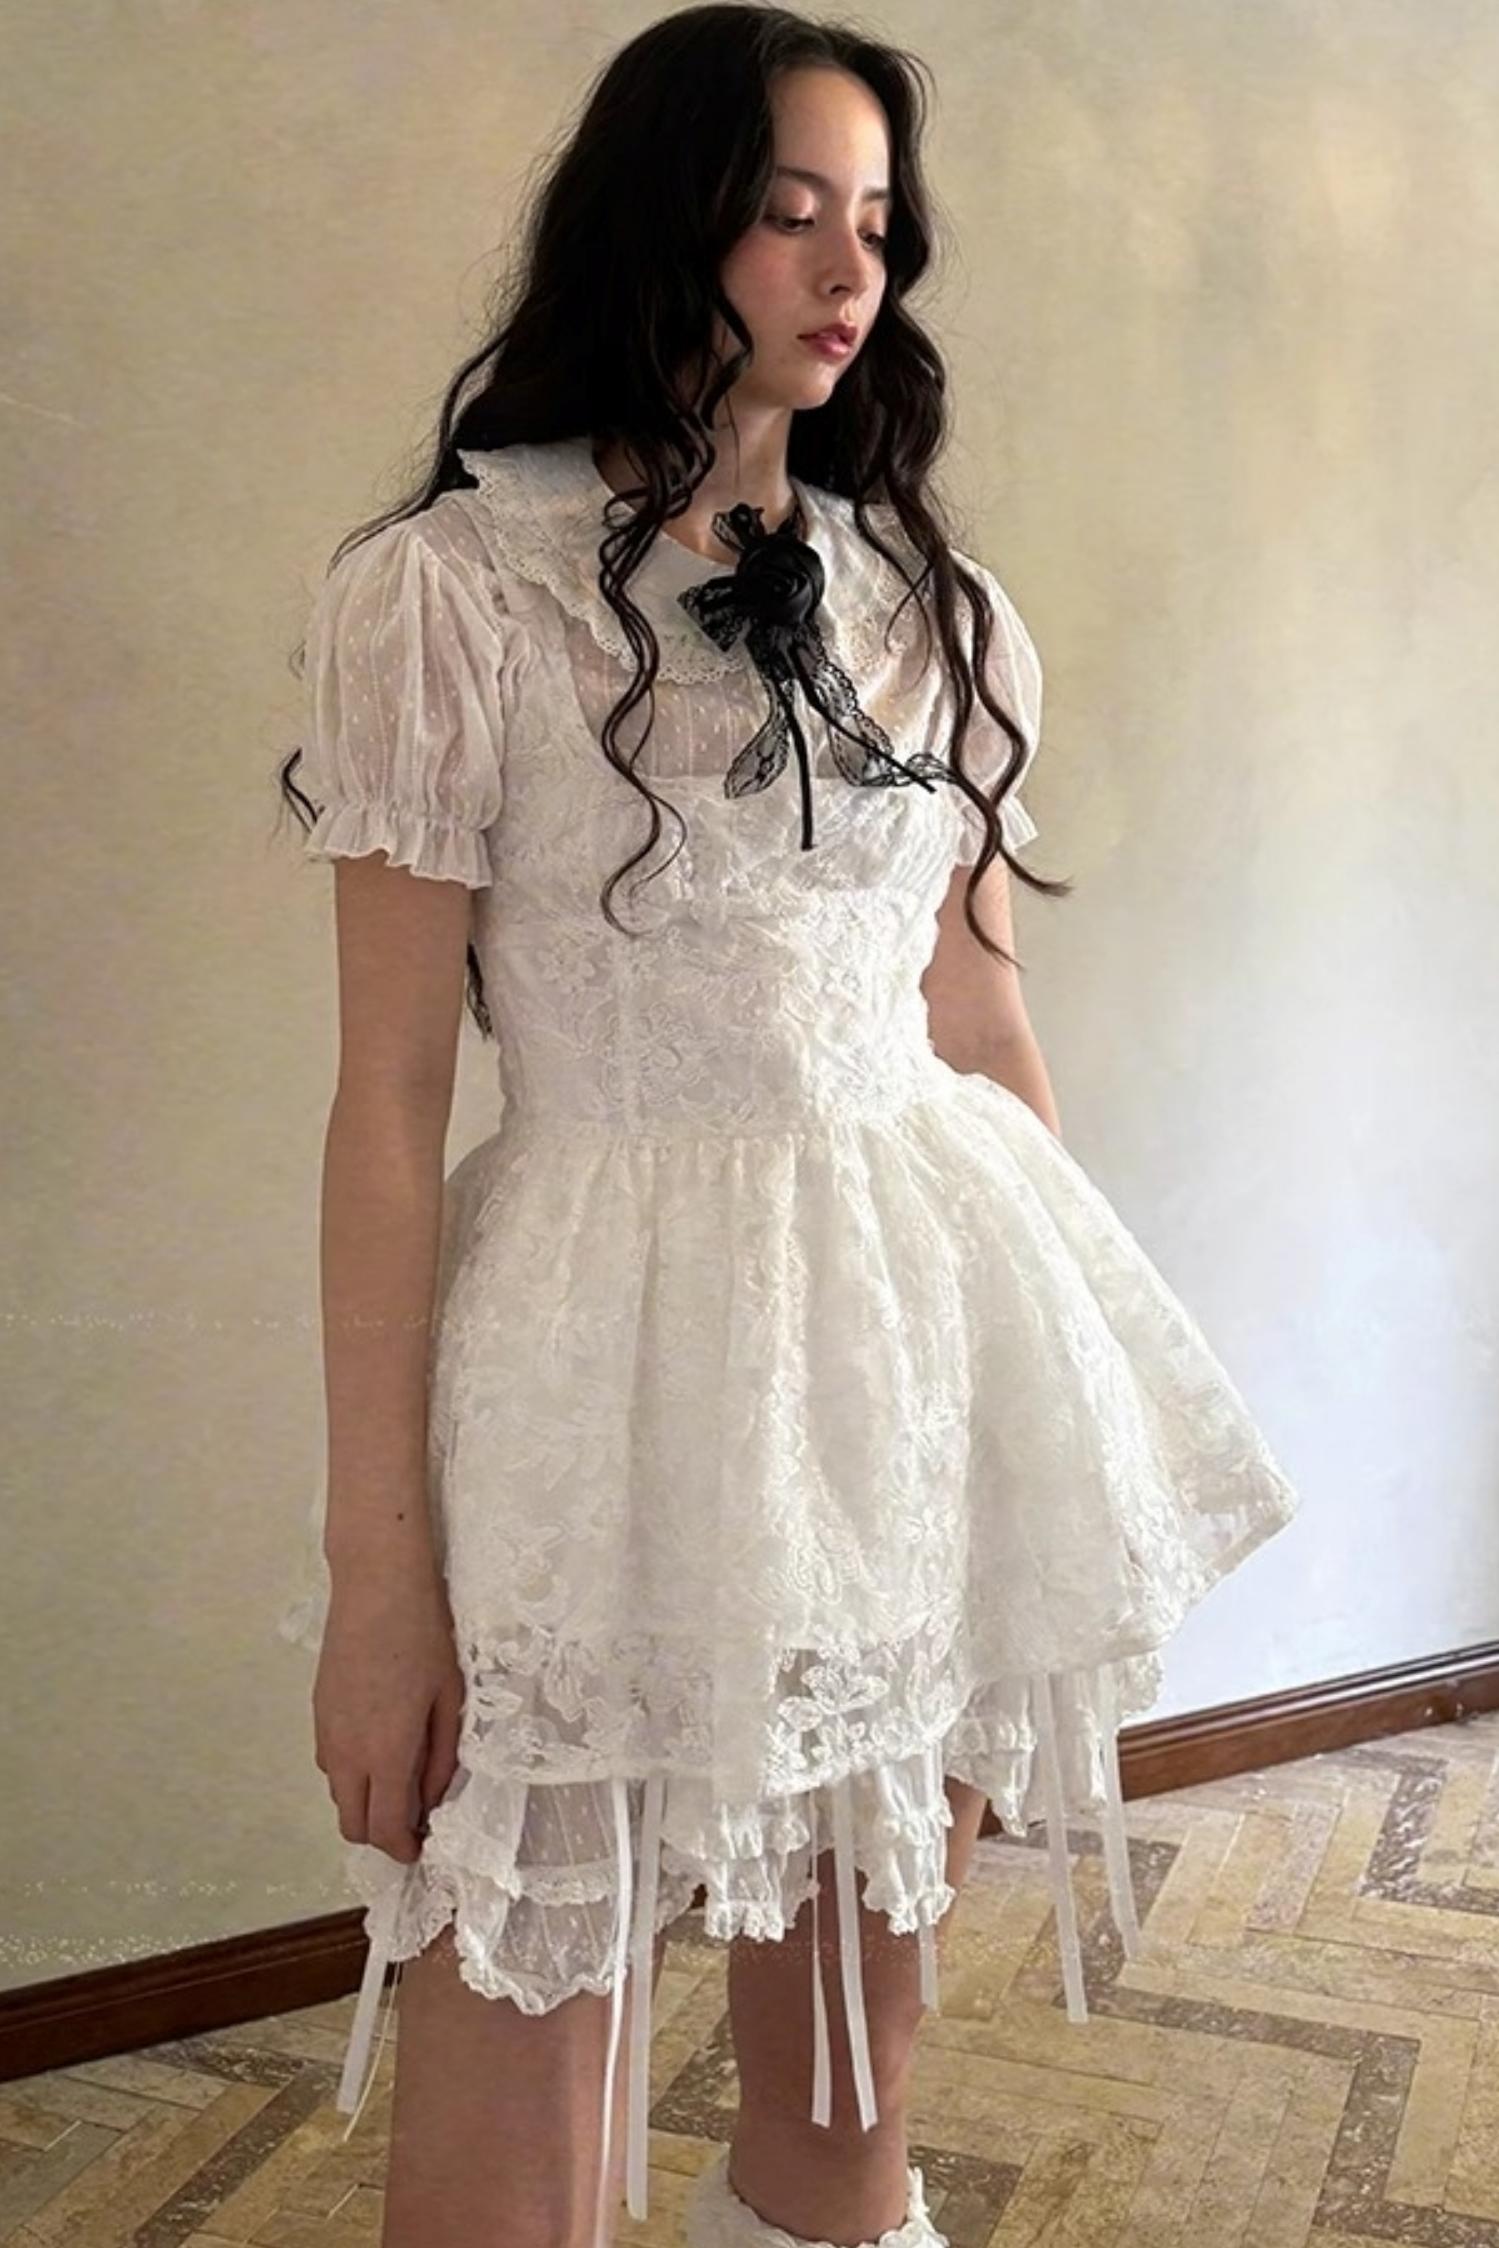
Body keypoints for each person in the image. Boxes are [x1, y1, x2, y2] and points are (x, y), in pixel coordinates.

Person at [274, 10, 1300, 2246]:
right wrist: (379, 1577)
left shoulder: (941, 610)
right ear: (664, 223)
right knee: (522, 2013)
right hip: (592, 1364)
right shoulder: (453, 596)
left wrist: (1063, 1408)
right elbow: (388, 1104)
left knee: (854, 2071)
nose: (850, 270)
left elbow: (980, 1020)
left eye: (878, 225)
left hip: (903, 1358)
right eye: (788, 211)